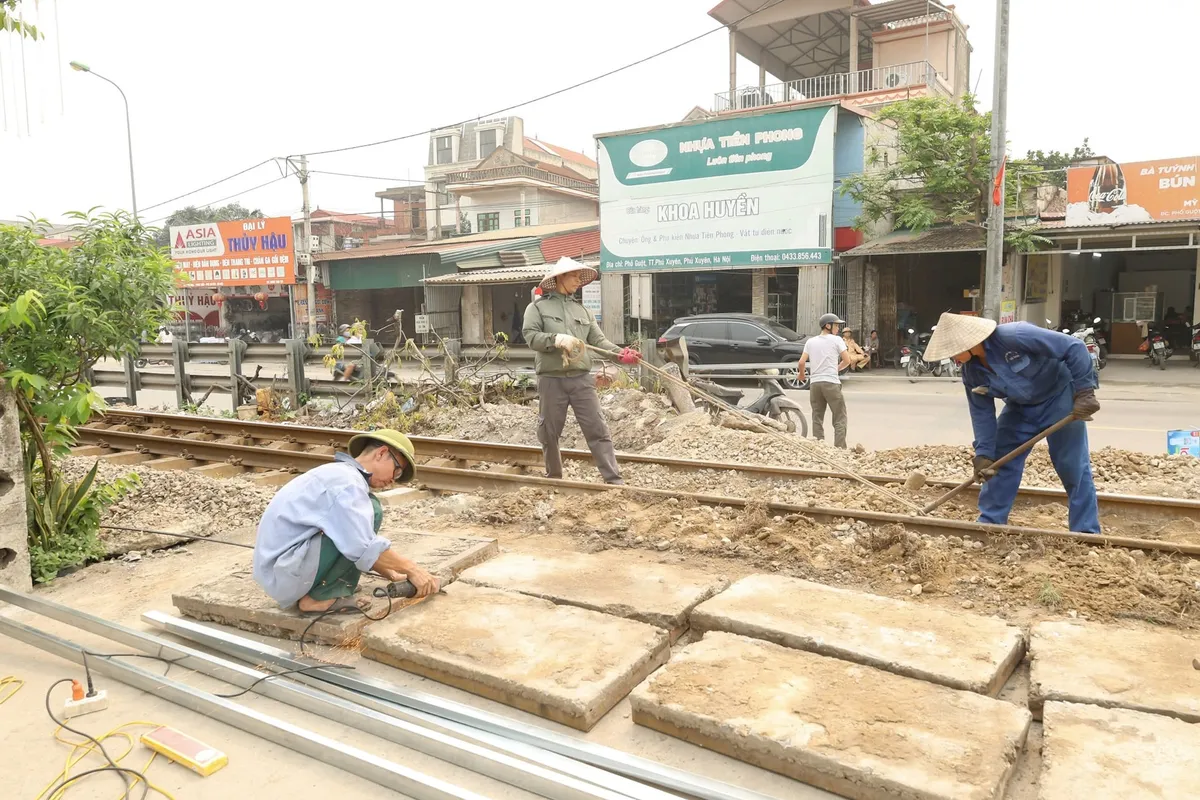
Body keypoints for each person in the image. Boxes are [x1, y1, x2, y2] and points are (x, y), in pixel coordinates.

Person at [923, 313, 1101, 533]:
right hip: (1020, 409)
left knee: (1072, 466)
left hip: (1060, 397)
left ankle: (1085, 531)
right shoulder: (972, 373)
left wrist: (1085, 391)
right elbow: (981, 413)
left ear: (968, 343)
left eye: (953, 352)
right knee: (998, 463)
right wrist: (984, 453)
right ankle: (990, 524)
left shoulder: (1015, 335)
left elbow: (1074, 348)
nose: (952, 358)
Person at [252, 430, 439, 613]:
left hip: (281, 570)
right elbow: (362, 545)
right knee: (371, 510)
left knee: (362, 515)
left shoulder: (340, 474)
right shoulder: (347, 484)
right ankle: (319, 599)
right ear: (381, 453)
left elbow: (359, 541)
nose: (393, 480)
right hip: (286, 573)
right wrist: (414, 571)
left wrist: (391, 573)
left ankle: (327, 586)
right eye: (396, 471)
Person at [522, 257, 641, 484]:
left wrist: (621, 354)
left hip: (581, 380)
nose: (578, 281)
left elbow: (599, 341)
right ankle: (554, 477)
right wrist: (556, 339)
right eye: (574, 277)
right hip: (551, 379)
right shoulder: (537, 308)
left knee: (597, 428)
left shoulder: (583, 311)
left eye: (579, 277)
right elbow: (531, 337)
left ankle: (613, 480)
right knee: (549, 432)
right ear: (560, 278)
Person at [796, 313, 852, 448]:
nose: (838, 329)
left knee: (817, 417)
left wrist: (802, 375)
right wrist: (836, 369)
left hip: (815, 384)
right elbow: (847, 360)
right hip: (831, 383)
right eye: (836, 325)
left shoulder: (810, 342)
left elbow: (801, 362)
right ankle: (839, 449)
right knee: (839, 417)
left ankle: (819, 447)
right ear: (828, 326)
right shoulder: (837, 340)